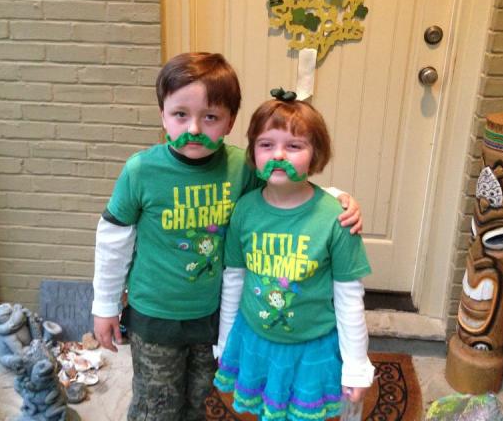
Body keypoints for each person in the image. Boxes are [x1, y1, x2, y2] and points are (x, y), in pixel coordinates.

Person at [91, 53, 363, 421]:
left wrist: (336, 198)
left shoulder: (241, 168)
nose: (194, 128)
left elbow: (284, 189)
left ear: (230, 121)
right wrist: (105, 305)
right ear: (162, 115)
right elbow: (113, 241)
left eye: (210, 117)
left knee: (199, 398)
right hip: (156, 316)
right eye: (180, 114)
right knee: (156, 406)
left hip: (214, 315)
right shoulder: (141, 171)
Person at [214, 94, 374, 421]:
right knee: (266, 411)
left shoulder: (337, 219)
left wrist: (356, 365)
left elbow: (349, 297)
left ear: (316, 154)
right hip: (255, 340)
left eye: (294, 146)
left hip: (312, 348)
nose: (278, 155)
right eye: (266, 145)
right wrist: (225, 341)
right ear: (253, 152)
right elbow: (234, 279)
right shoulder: (244, 211)